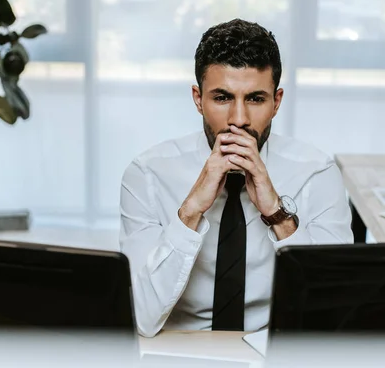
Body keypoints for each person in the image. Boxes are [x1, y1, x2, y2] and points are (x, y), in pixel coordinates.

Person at [119, 18, 353, 338]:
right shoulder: (147, 175)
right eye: (222, 98)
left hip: (273, 348)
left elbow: (334, 312)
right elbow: (141, 318)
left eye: (255, 99)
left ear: (276, 102)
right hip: (179, 347)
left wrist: (277, 214)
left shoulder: (317, 174)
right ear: (198, 99)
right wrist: (189, 213)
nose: (239, 120)